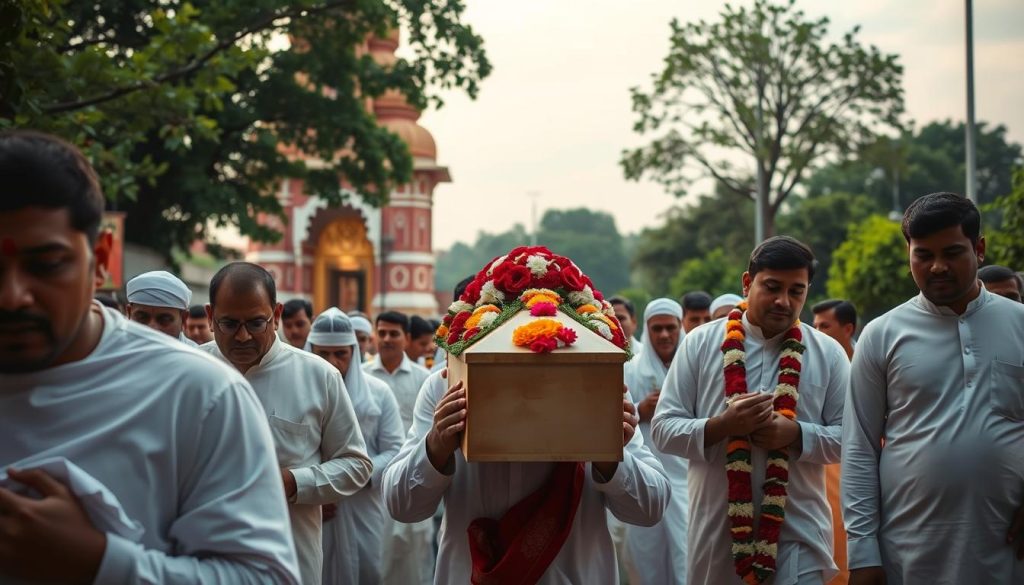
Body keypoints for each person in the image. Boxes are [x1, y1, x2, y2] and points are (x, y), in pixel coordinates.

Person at [0, 129, 299, 583]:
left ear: (100, 258)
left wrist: (101, 562)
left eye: (46, 265)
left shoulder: (198, 394)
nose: (12, 297)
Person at [842, 192, 1024, 585]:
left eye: (952, 252)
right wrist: (862, 552)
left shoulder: (1020, 324)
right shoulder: (881, 335)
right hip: (908, 553)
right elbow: (858, 448)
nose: (937, 267)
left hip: (1008, 548)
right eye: (923, 255)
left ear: (979, 249)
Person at [653, 236, 849, 585]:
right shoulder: (700, 344)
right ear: (747, 282)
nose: (783, 301)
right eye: (772, 287)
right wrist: (722, 425)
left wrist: (797, 434)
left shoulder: (829, 354)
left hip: (799, 531)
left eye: (796, 291)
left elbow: (849, 439)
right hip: (717, 535)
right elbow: (663, 429)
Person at [381, 370, 672, 584]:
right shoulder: (448, 384)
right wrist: (435, 446)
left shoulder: (597, 382)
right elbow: (401, 506)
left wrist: (607, 452)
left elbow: (650, 508)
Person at [200, 262, 373, 585]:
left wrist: (294, 482)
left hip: (290, 562)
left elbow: (356, 465)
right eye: (228, 324)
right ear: (210, 316)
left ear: (276, 314)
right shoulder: (190, 371)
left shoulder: (318, 376)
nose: (242, 336)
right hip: (205, 560)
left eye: (255, 323)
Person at [307, 309, 405, 585]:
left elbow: (395, 450)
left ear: (354, 352)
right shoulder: (296, 392)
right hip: (310, 508)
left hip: (363, 505)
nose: (332, 363)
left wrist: (344, 480)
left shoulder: (378, 393)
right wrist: (315, 491)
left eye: (340, 354)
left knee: (368, 572)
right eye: (322, 354)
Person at [364, 310, 434, 584]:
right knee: (376, 559)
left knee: (413, 560)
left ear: (406, 338)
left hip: (412, 480)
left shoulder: (423, 379)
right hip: (371, 483)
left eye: (394, 334)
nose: (387, 339)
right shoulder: (362, 376)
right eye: (381, 333)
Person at [624, 298, 689, 584]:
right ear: (646, 330)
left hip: (686, 478)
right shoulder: (631, 369)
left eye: (670, 328)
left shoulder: (693, 368)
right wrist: (641, 410)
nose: (664, 335)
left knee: (686, 552)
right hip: (645, 474)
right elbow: (615, 415)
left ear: (680, 328)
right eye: (657, 329)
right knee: (645, 555)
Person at [124, 270, 197, 345]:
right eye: (142, 318)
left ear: (184, 319)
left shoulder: (197, 355)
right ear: (129, 314)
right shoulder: (114, 351)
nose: (152, 328)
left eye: (164, 320)